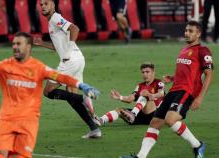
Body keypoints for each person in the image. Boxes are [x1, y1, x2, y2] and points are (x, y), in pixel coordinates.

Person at [0, 32, 100, 158]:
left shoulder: (38, 68)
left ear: (29, 47)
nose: (15, 47)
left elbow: (60, 77)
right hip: (6, 120)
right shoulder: (5, 66)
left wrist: (82, 85)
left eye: (19, 44)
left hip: (28, 123)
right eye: (13, 44)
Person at [121, 21, 213, 158]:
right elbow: (186, 73)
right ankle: (140, 156)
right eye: (186, 30)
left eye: (191, 31)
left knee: (170, 120)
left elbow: (209, 75)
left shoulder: (203, 51)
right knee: (155, 122)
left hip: (186, 92)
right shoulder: (184, 50)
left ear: (198, 34)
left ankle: (198, 145)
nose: (187, 33)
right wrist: (173, 78)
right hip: (174, 90)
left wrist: (200, 97)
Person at [33, 0, 101, 139]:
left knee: (48, 91)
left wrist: (68, 50)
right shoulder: (52, 21)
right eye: (41, 4)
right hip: (78, 59)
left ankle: (84, 97)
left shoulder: (56, 18)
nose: (43, 6)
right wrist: (42, 44)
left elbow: (75, 29)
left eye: (46, 3)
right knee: (71, 95)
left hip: (70, 61)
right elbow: (57, 46)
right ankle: (94, 128)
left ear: (53, 5)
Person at [94, 63, 165, 126]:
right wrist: (120, 97)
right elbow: (130, 99)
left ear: (153, 72)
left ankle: (133, 114)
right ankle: (101, 120)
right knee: (119, 110)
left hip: (155, 115)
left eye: (147, 72)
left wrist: (152, 95)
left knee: (144, 93)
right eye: (143, 72)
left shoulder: (158, 82)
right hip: (141, 116)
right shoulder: (140, 86)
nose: (145, 74)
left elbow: (161, 93)